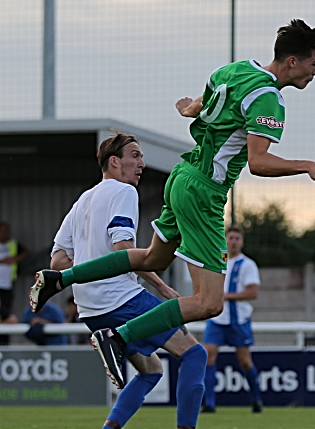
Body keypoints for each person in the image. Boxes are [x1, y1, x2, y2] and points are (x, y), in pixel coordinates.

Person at [30, 19, 315, 389]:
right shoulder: (269, 97)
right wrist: (307, 165)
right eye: (313, 63)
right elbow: (259, 162)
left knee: (153, 258)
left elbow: (201, 103)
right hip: (203, 191)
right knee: (209, 304)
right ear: (291, 61)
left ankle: (59, 278)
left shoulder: (235, 70)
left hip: (182, 177)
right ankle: (118, 337)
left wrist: (190, 109)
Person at [48, 132, 207, 429]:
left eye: (142, 156)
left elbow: (57, 261)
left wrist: (90, 266)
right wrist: (161, 286)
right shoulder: (123, 192)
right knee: (195, 355)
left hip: (90, 309)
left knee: (151, 371)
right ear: (114, 162)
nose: (141, 163)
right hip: (121, 299)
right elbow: (124, 250)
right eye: (134, 155)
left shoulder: (83, 199)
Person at [201, 226, 262, 414]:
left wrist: (226, 296)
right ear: (225, 240)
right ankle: (209, 403)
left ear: (242, 242)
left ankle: (256, 399)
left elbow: (253, 292)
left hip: (239, 320)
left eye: (237, 238)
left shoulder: (247, 264)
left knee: (244, 361)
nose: (234, 241)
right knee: (208, 353)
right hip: (217, 319)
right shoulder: (218, 260)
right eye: (231, 237)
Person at [0, 221, 30, 344]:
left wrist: (14, 259)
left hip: (6, 285)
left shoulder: (12, 243)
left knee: (6, 313)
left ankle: (4, 343)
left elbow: (27, 253)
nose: (4, 233)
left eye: (6, 231)